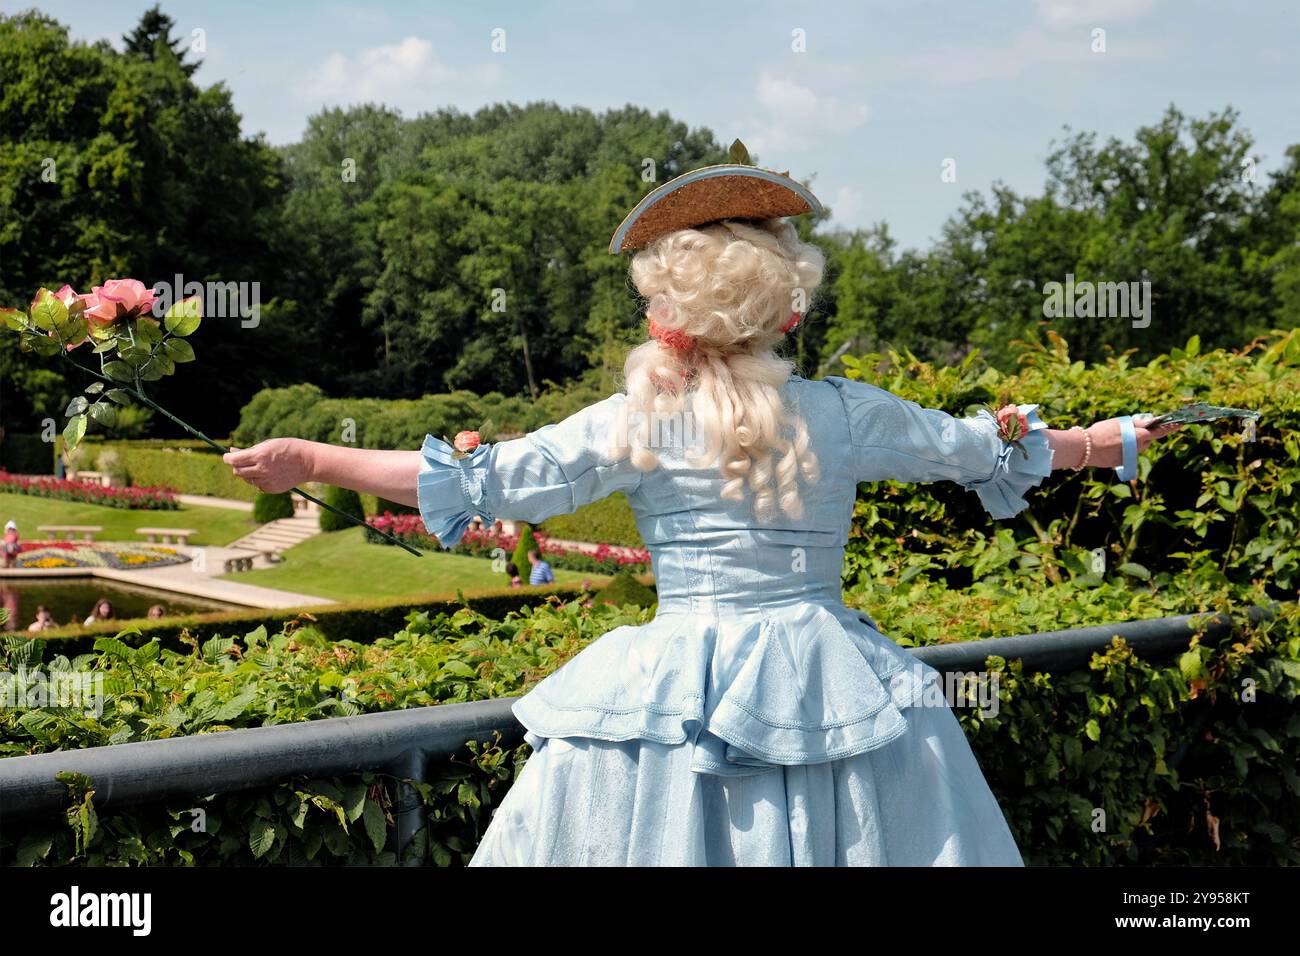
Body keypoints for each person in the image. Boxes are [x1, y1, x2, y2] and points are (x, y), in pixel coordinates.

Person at [222, 153, 1180, 867]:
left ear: (665, 312)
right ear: (786, 309)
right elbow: (989, 448)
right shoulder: (846, 416)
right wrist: (1112, 441)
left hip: (674, 685)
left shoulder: (634, 423)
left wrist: (308, 455)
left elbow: (489, 480)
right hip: (835, 675)